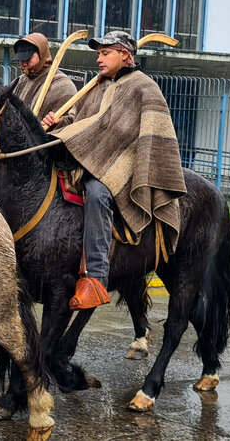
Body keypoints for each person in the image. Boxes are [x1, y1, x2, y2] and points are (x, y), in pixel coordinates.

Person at [41, 31, 187, 310]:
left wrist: (100, 146)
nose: (99, 59)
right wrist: (59, 124)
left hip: (126, 169)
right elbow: (82, 122)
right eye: (98, 53)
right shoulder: (96, 85)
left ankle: (95, 278)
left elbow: (152, 138)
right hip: (88, 161)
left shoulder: (145, 87)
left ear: (125, 55)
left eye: (105, 53)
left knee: (97, 193)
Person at [11, 33, 77, 127]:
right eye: (20, 60)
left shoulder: (63, 86)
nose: (23, 64)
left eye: (27, 59)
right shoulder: (19, 82)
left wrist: (58, 122)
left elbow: (72, 124)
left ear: (41, 54)